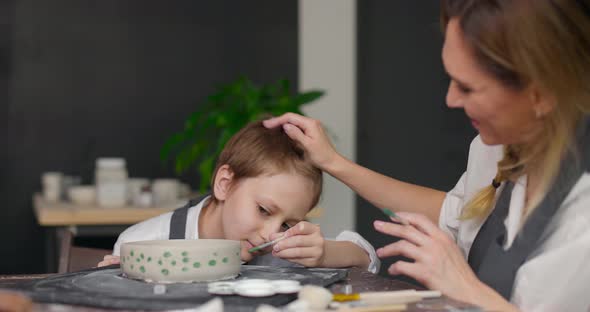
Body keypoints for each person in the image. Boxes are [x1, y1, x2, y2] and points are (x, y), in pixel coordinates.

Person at [263, 0, 590, 311]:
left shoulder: (581, 211)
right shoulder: (495, 147)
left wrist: (461, 284)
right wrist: (333, 162)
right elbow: (458, 216)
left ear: (540, 93)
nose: (450, 99)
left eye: (467, 87)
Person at [98, 121, 380, 273]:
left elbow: (366, 256)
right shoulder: (143, 243)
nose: (272, 233)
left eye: (287, 224)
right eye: (263, 210)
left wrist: (323, 254)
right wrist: (119, 280)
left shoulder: (285, 250)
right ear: (224, 183)